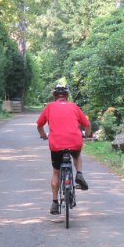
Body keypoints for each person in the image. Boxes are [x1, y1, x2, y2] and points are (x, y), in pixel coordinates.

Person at [36, 84, 92, 215]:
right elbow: (87, 124)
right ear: (67, 96)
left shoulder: (49, 107)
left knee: (56, 172)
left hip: (56, 144)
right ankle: (79, 174)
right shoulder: (74, 106)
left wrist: (43, 135)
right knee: (77, 156)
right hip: (75, 141)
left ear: (54, 96)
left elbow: (39, 125)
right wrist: (87, 134)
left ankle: (55, 203)